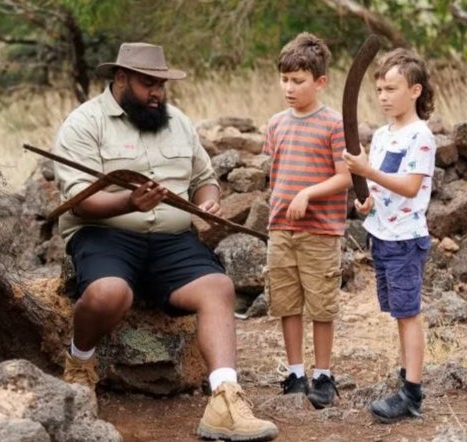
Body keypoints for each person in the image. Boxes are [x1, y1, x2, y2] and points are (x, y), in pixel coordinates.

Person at [52, 42, 278, 441]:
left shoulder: (177, 122)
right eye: (147, 83)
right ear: (120, 79)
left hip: (172, 240)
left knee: (218, 287)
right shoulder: (84, 123)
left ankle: (225, 400)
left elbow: (204, 180)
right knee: (109, 293)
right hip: (106, 236)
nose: (156, 92)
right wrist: (129, 201)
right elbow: (81, 202)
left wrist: (207, 206)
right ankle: (79, 363)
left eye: (161, 84)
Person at [342, 47, 436, 423]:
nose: (383, 96)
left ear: (414, 91)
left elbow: (411, 186)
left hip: (405, 239)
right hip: (381, 235)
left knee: (409, 314)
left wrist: (367, 170)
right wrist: (365, 203)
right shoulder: (381, 135)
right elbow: (380, 189)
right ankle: (405, 379)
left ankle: (411, 393)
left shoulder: (421, 136)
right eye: (379, 89)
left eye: (391, 88)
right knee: (399, 313)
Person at [262, 32, 352, 409]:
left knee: (321, 304)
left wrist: (308, 194)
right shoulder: (276, 124)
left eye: (298, 81)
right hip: (281, 230)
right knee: (287, 302)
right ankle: (296, 372)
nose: (289, 87)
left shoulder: (334, 124)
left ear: (320, 82)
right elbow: (275, 173)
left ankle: (324, 375)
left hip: (320, 231)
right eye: (284, 79)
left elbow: (345, 176)